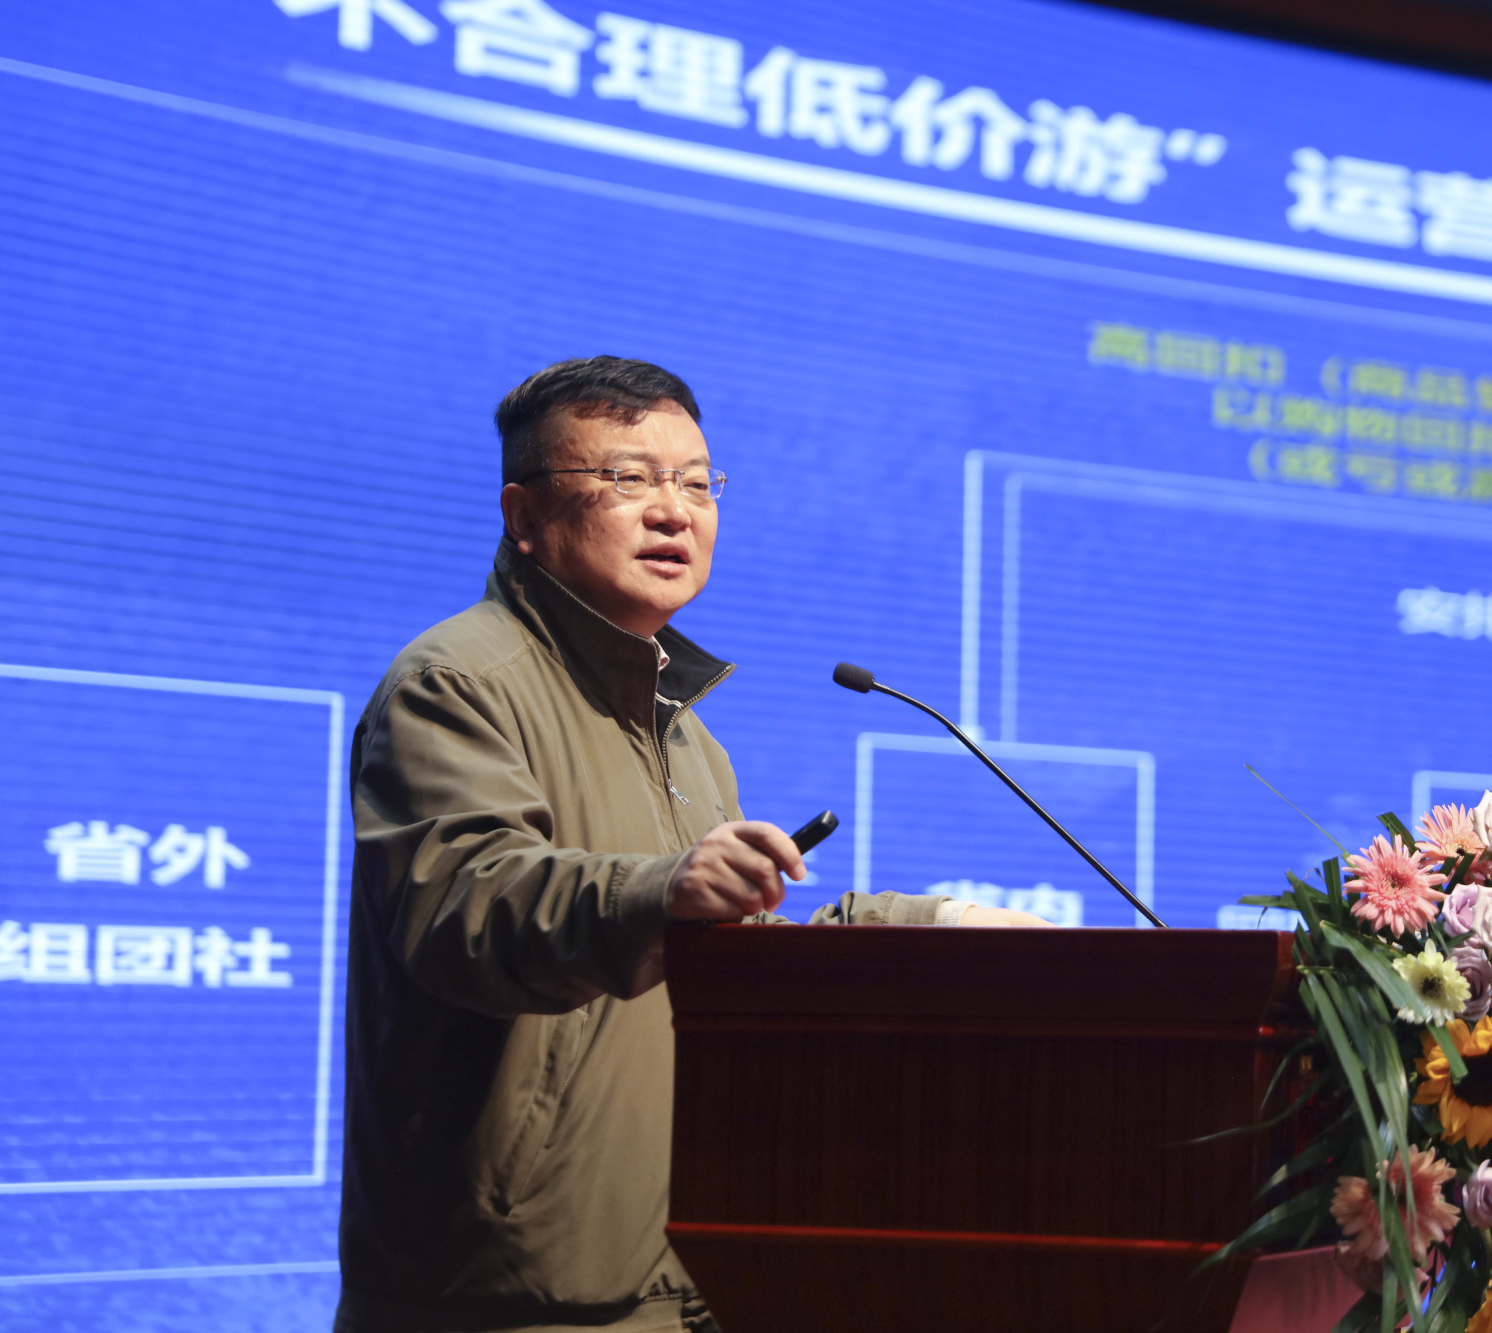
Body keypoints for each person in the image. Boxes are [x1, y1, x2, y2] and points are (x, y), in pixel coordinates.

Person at [336, 357, 1047, 1333]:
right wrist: (664, 888)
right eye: (627, 479)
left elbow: (718, 957)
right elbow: (474, 909)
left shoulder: (686, 736)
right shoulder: (456, 684)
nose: (673, 510)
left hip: (684, 1280)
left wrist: (933, 925)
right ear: (523, 514)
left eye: (697, 482)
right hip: (508, 1298)